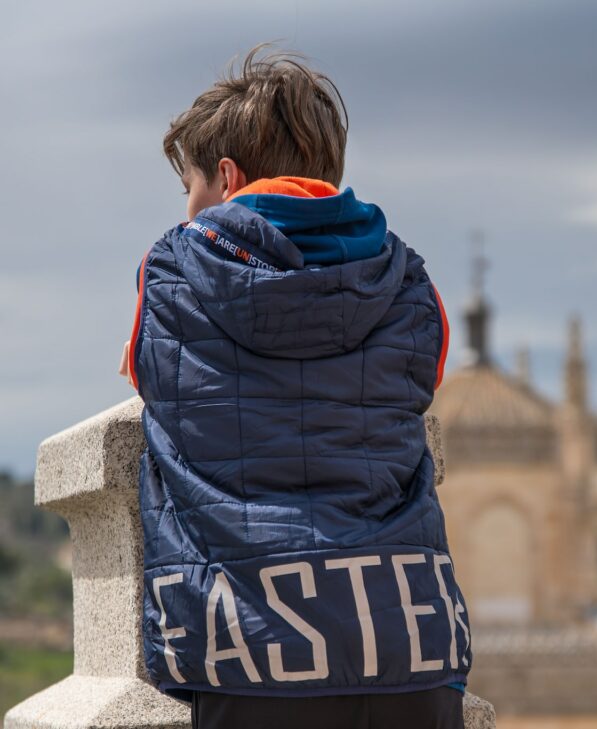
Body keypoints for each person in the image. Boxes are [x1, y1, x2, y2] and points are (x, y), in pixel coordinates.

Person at [117, 45, 471, 729]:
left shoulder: (167, 270)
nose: (188, 208)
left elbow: (145, 370)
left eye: (189, 188)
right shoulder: (411, 283)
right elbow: (423, 379)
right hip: (409, 651)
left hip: (253, 654)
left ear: (225, 178)